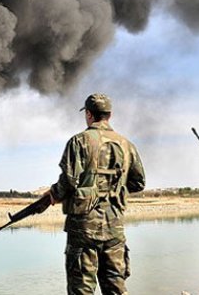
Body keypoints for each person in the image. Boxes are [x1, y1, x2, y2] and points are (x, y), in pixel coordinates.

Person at [46, 93, 146, 295]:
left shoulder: (79, 141)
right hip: (114, 227)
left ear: (89, 114)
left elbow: (68, 182)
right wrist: (115, 190)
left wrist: (54, 195)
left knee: (82, 289)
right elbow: (139, 182)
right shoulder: (127, 145)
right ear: (109, 114)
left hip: (83, 230)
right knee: (116, 288)